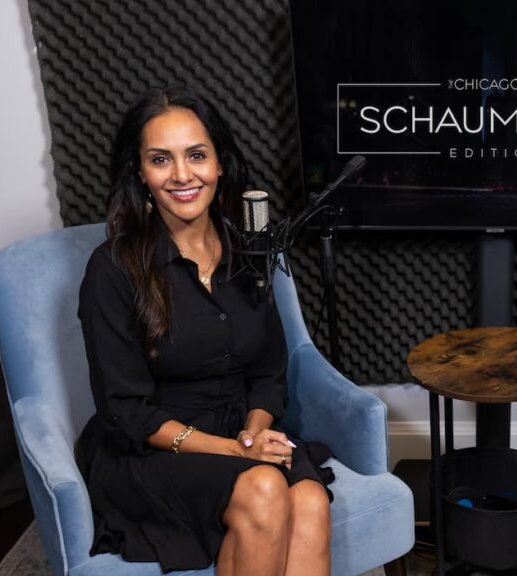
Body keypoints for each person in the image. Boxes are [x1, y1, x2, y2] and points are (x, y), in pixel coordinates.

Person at [75, 86, 334, 575]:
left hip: (238, 426)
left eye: (196, 155)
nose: (182, 174)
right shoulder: (112, 270)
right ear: (140, 172)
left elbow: (268, 373)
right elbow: (126, 410)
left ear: (220, 165)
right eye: (160, 159)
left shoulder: (250, 251)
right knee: (263, 488)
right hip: (153, 446)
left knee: (310, 501)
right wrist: (236, 451)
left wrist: (252, 434)